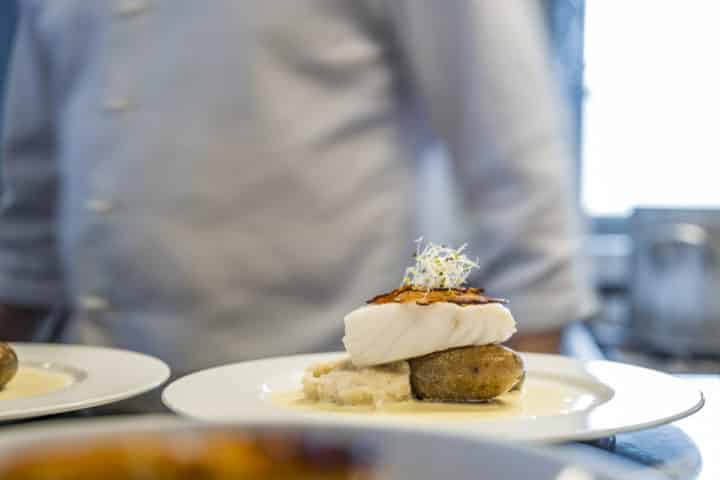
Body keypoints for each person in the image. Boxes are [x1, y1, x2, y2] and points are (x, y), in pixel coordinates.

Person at [0, 1, 596, 378]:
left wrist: (527, 416)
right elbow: (27, 201)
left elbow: (517, 165)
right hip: (97, 404)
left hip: (335, 404)